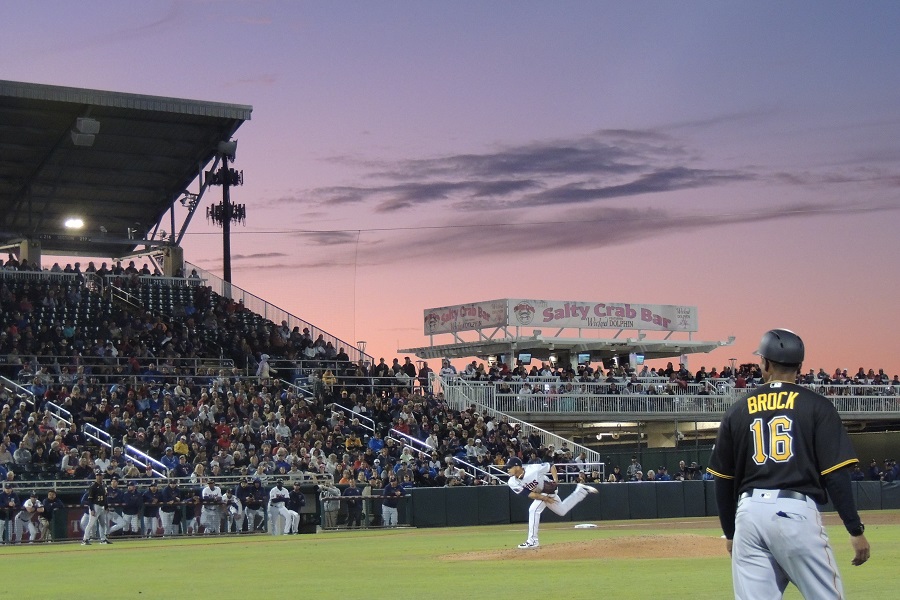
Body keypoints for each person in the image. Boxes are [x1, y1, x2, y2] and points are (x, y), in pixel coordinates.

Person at [707, 329, 871, 599]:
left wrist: (730, 533)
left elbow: (722, 479)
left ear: (767, 364)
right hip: (795, 513)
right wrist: (855, 529)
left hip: (748, 514)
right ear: (799, 366)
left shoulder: (737, 411)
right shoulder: (818, 406)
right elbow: (836, 475)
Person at [504, 456, 598, 549]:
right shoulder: (512, 482)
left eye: (510, 467)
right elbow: (530, 494)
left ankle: (532, 541)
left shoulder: (533, 469)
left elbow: (551, 466)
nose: (508, 469)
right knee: (562, 511)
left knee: (533, 510)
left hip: (549, 489)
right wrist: (545, 498)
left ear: (517, 466)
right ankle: (581, 491)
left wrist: (555, 480)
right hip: (542, 494)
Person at [82, 470, 111, 545]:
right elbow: (90, 499)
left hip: (102, 506)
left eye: (100, 475)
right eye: (98, 475)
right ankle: (85, 539)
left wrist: (106, 506)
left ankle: (103, 539)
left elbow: (105, 497)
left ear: (102, 476)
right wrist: (92, 509)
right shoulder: (93, 486)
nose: (99, 476)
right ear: (96, 476)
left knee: (103, 524)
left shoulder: (104, 485)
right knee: (91, 523)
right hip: (95, 506)